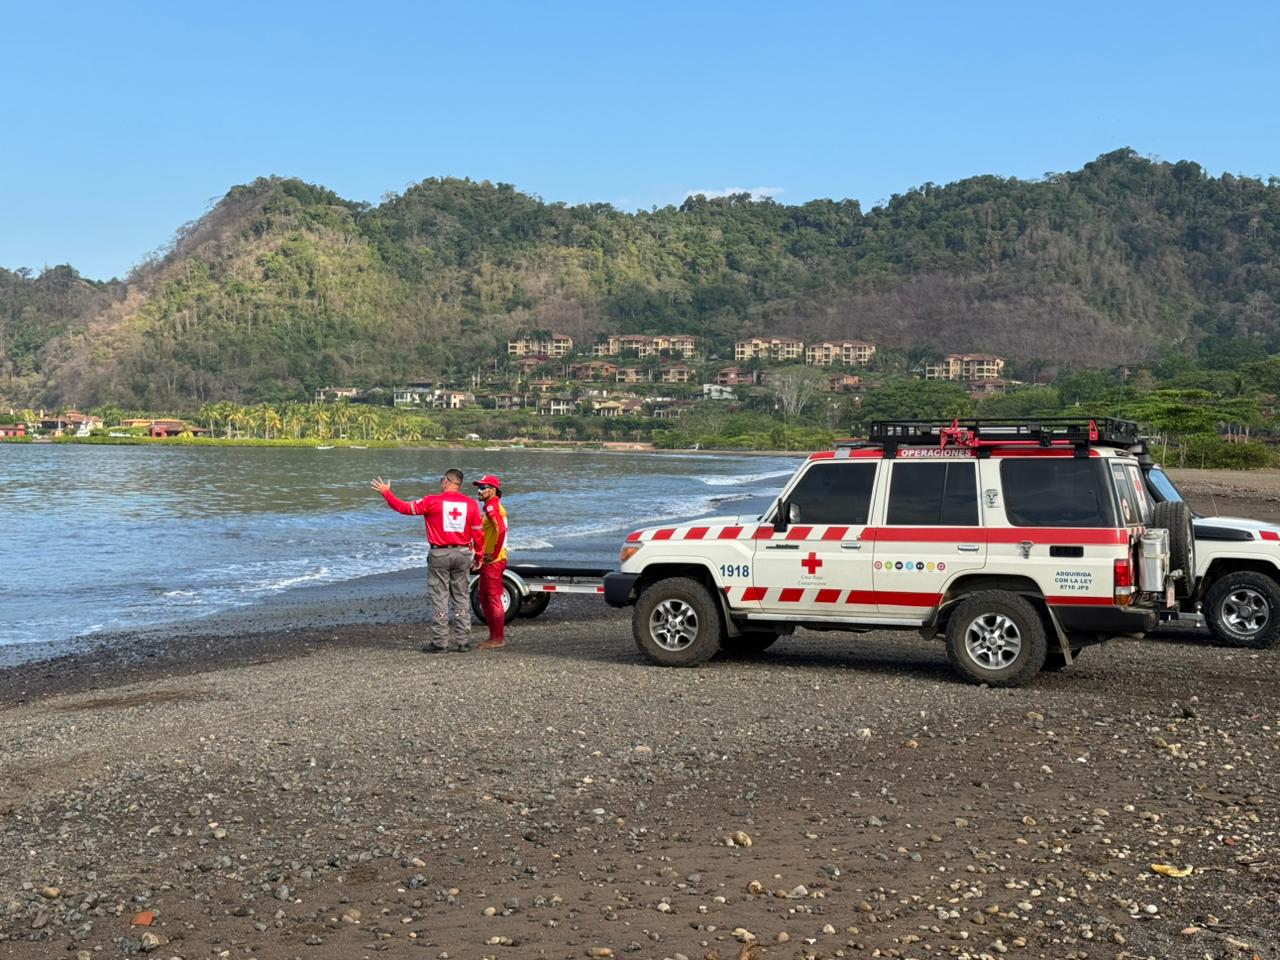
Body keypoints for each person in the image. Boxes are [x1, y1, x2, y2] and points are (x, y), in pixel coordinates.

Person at [371, 469, 484, 653]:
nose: (441, 482)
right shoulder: (471, 504)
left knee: (440, 597)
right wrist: (479, 556)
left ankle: (440, 642)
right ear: (459, 484)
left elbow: (404, 508)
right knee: (461, 597)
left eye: (442, 479)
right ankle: (463, 641)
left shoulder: (432, 501)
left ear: (446, 481)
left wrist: (386, 493)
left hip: (439, 554)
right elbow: (478, 533)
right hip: (463, 553)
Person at [472, 474, 509, 649]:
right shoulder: (491, 507)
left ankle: (497, 638)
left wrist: (493, 553)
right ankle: (494, 636)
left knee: (492, 598)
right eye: (478, 487)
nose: (478, 491)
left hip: (494, 560)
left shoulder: (491, 507)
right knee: (484, 597)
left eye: (482, 488)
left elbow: (501, 531)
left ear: (493, 490)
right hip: (492, 559)